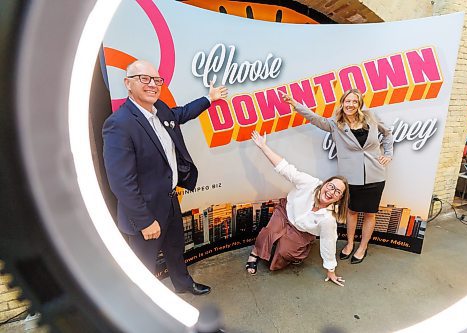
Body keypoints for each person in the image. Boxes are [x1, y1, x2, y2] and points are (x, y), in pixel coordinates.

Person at [103, 59, 228, 295]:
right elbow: (121, 182)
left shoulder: (160, 109)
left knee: (175, 249)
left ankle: (183, 285)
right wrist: (144, 221)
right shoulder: (119, 125)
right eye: (144, 79)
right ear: (128, 83)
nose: (152, 84)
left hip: (170, 201)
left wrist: (209, 99)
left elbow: (180, 114)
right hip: (144, 213)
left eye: (157, 80)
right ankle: (145, 310)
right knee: (143, 267)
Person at [281, 89, 393, 264]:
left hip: (375, 175)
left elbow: (387, 134)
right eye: (347, 101)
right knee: (352, 211)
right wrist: (295, 104)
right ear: (342, 103)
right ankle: (349, 244)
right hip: (351, 177)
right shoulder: (336, 124)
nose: (350, 105)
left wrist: (389, 153)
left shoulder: (371, 117)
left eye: (354, 102)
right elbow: (315, 119)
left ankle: (363, 246)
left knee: (370, 213)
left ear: (359, 104)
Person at [245, 131, 349, 286]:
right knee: (269, 232)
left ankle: (300, 252)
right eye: (330, 186)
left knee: (286, 253)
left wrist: (331, 270)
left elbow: (329, 242)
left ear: (339, 198)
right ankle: (255, 253)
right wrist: (263, 146)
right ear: (325, 184)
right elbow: (286, 169)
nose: (331, 192)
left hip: (302, 231)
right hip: (286, 213)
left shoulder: (329, 219)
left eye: (337, 191)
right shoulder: (310, 183)